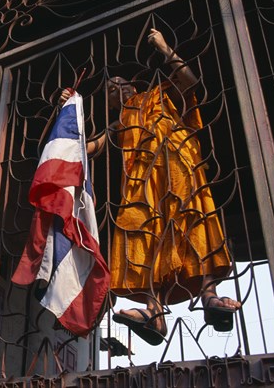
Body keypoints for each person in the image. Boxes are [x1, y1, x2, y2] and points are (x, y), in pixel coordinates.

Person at [59, 28, 241, 346]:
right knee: (142, 235)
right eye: (110, 94)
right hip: (141, 185)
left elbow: (191, 82)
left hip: (178, 166)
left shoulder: (159, 95)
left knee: (192, 222)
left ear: (132, 84)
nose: (115, 92)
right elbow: (91, 146)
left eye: (118, 86)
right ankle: (153, 312)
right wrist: (66, 111)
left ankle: (209, 296)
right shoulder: (122, 121)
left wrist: (164, 46)